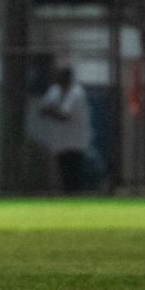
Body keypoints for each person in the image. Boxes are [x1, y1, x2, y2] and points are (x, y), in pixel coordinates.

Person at [38, 64, 93, 193]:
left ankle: (76, 199)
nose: (59, 79)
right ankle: (67, 198)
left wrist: (51, 110)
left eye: (62, 76)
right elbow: (42, 109)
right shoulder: (55, 90)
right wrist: (53, 110)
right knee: (64, 176)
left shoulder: (77, 93)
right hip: (60, 143)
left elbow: (64, 116)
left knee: (75, 176)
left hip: (76, 143)